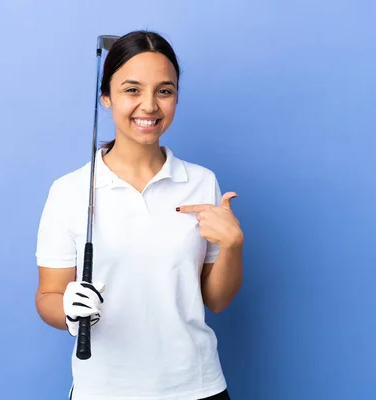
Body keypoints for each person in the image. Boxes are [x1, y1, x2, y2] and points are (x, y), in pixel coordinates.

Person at [34, 30, 244, 400]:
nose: (149, 105)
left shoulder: (200, 182)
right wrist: (67, 309)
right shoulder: (69, 190)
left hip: (196, 387)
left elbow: (217, 300)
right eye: (132, 90)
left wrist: (232, 245)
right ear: (106, 98)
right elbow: (48, 295)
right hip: (103, 390)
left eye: (164, 91)